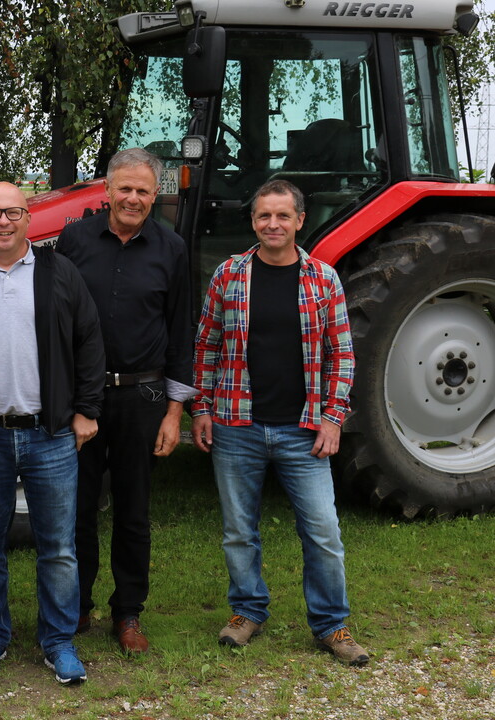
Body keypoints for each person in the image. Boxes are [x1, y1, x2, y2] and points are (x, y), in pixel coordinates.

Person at [191, 179, 369, 666]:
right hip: (237, 426)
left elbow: (342, 355)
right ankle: (247, 612)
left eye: (282, 216)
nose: (273, 224)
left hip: (304, 431)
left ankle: (332, 626)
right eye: (264, 216)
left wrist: (333, 418)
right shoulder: (229, 275)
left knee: (323, 530)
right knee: (238, 530)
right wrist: (201, 407)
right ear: (253, 221)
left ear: (298, 221)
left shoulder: (322, 278)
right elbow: (206, 346)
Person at [0, 182, 105, 684]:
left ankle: (58, 641)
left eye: (13, 212)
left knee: (58, 546)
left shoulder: (59, 272)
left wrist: (86, 410)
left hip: (50, 433)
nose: (4, 222)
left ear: (29, 216)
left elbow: (89, 341)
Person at [55, 147, 194, 654]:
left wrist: (175, 411)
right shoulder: (74, 240)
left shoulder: (172, 249)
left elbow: (181, 331)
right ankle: (77, 606)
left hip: (145, 395)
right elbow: (57, 322)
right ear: (107, 191)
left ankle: (129, 612)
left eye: (144, 190)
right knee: (79, 508)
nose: (133, 198)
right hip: (84, 398)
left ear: (156, 196)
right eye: (125, 188)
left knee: (134, 510)